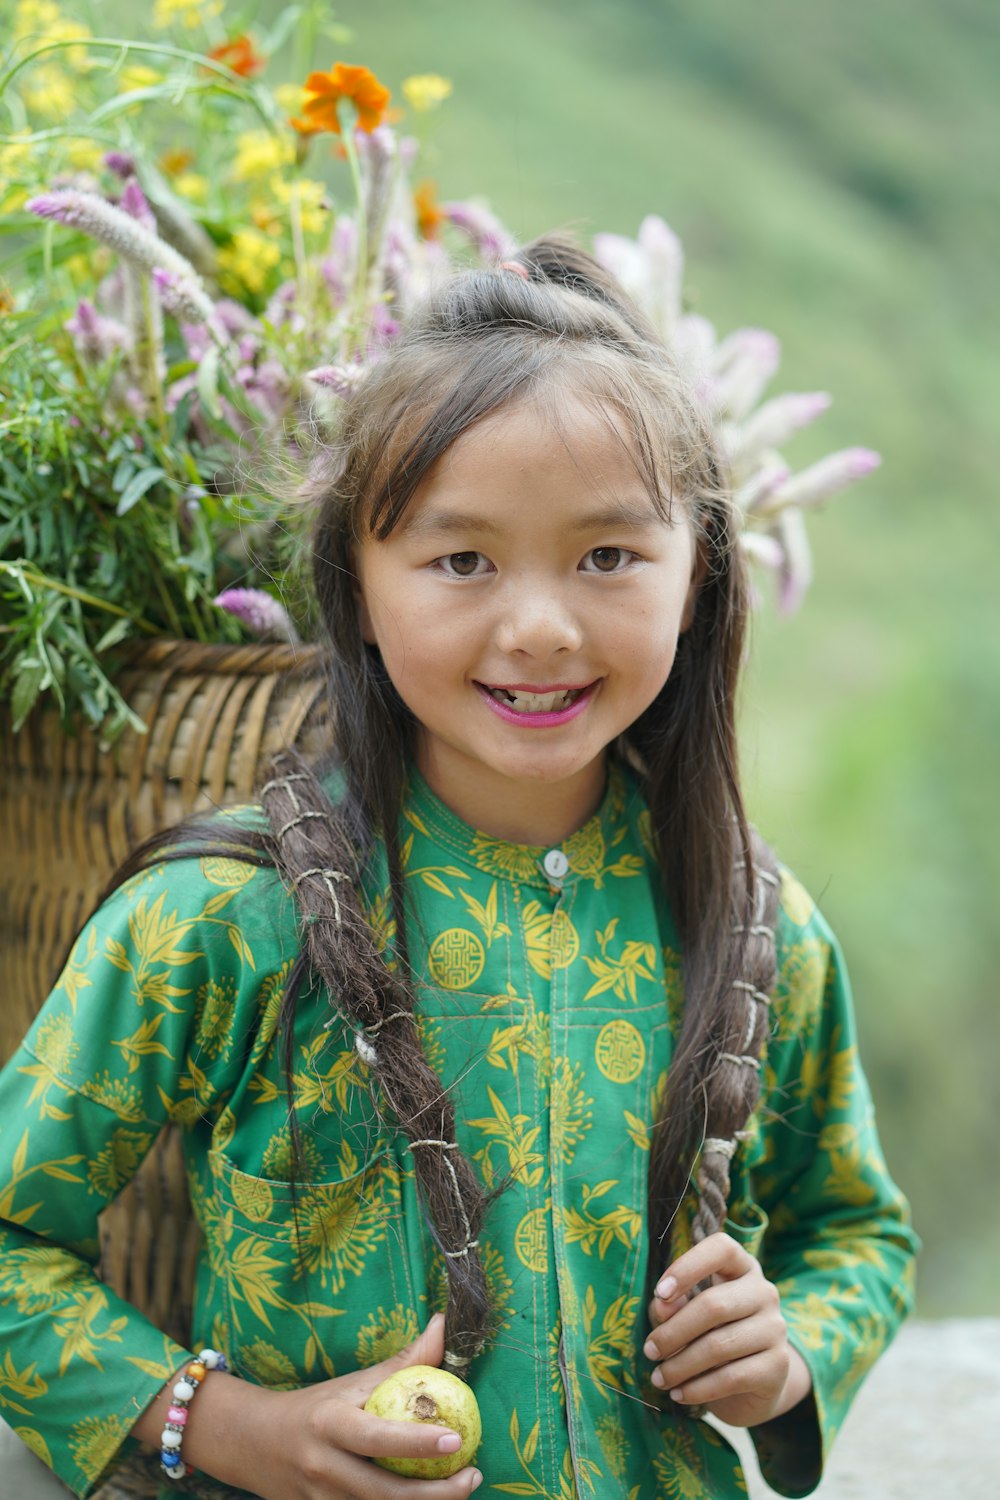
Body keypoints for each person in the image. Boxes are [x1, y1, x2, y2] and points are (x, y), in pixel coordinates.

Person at [0, 239, 918, 1500]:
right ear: (357, 589)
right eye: (460, 560)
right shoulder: (219, 919)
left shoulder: (756, 926)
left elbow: (853, 1230)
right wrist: (219, 1427)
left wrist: (792, 1351)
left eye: (607, 556)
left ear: (698, 571)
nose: (539, 625)